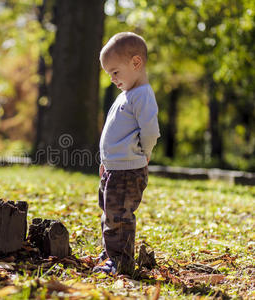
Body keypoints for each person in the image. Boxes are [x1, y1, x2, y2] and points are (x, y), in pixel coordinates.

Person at [95, 32, 160, 275]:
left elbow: (151, 130)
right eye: (108, 74)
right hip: (114, 169)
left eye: (115, 72)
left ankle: (120, 261)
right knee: (109, 213)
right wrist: (105, 162)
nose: (112, 78)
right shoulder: (127, 94)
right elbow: (116, 135)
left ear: (136, 63)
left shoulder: (142, 95)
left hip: (128, 170)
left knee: (119, 216)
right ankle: (110, 252)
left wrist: (145, 153)